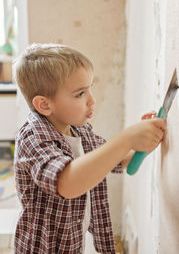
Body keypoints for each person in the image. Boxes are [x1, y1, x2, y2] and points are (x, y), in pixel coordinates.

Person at [13, 43, 166, 254]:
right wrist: (126, 138)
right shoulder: (33, 139)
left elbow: (117, 160)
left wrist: (144, 143)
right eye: (80, 94)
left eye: (90, 88)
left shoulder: (78, 131)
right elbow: (67, 183)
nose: (92, 100)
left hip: (72, 243)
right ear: (45, 105)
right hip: (42, 248)